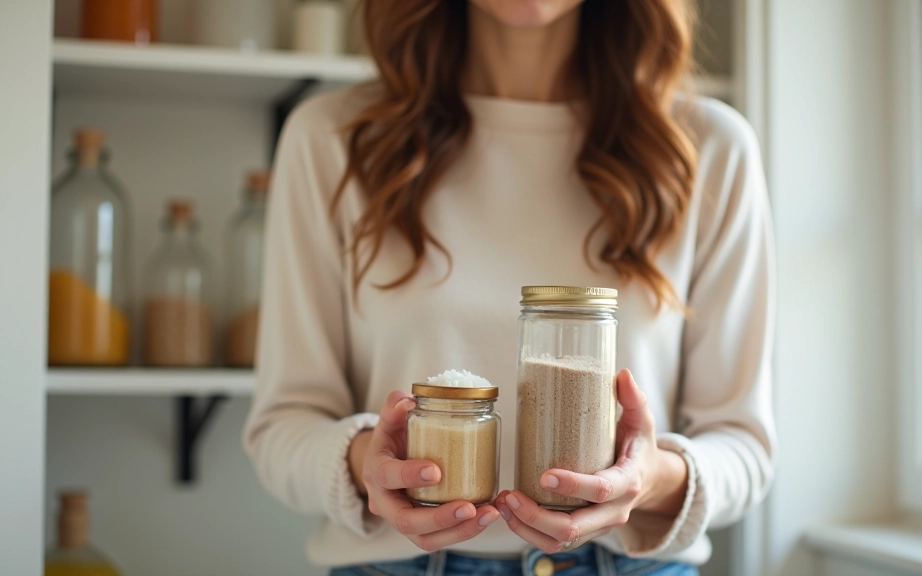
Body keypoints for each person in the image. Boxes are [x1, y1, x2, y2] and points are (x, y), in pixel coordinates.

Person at [243, 0, 776, 574]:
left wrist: (649, 478)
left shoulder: (706, 146)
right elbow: (283, 429)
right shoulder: (334, 138)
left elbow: (744, 449)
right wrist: (363, 464)